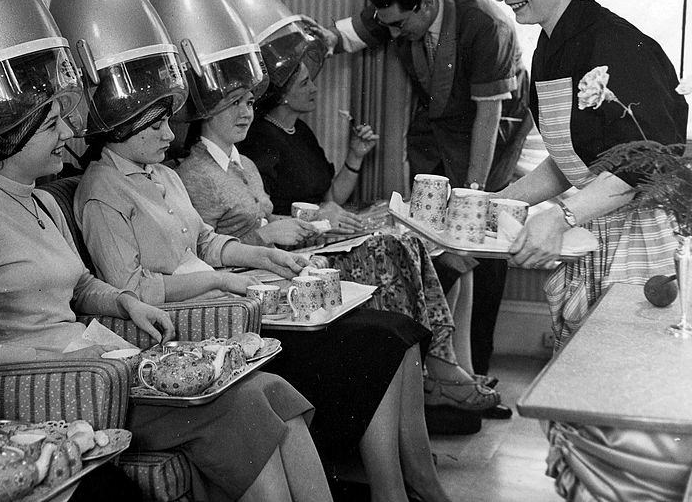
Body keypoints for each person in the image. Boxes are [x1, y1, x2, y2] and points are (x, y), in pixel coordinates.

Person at [0, 98, 333, 502]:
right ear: (9, 141)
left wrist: (125, 303)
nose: (67, 134)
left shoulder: (42, 201)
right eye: (52, 126)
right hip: (58, 385)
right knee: (238, 407)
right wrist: (65, 361)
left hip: (95, 364)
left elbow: (81, 285)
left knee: (264, 388)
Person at [76, 97, 453, 502]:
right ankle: (393, 491)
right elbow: (132, 288)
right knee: (376, 342)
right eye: (155, 128)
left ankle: (405, 484)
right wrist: (218, 280)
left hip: (228, 304)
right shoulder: (102, 192)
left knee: (399, 332)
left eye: (167, 123)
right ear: (118, 132)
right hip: (198, 324)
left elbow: (206, 241)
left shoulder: (163, 175)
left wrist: (263, 256)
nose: (170, 135)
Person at [478, 0, 691, 502]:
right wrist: (503, 201)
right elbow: (577, 154)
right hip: (601, 231)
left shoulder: (615, 45)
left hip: (640, 244)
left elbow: (648, 162)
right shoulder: (551, 43)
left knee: (621, 410)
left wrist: (562, 215)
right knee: (588, 401)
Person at [182, 84, 500, 414]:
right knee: (388, 251)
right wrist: (267, 236)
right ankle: (434, 376)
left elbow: (264, 218)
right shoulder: (194, 173)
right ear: (206, 112)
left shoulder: (244, 163)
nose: (246, 112)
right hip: (253, 279)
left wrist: (302, 220)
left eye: (248, 102)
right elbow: (202, 250)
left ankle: (436, 367)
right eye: (234, 104)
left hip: (282, 261)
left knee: (404, 243)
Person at [330, 0, 533, 381]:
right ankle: (445, 369)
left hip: (488, 134)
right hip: (438, 130)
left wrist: (473, 193)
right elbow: (348, 35)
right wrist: (313, 39)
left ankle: (475, 372)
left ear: (425, 4)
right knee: (432, 238)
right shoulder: (396, 9)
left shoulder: (485, 23)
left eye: (398, 27)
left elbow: (489, 117)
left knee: (478, 242)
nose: (390, 35)